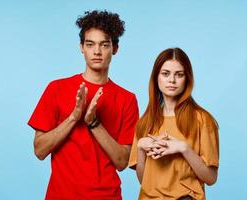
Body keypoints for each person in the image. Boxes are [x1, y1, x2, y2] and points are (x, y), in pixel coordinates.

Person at [28, 10, 139, 200]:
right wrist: (73, 117)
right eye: (90, 44)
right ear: (81, 47)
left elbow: (122, 161)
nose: (97, 51)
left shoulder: (127, 99)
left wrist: (93, 123)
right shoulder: (57, 88)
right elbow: (39, 150)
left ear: (115, 48)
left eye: (104, 45)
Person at [129, 48, 219, 200]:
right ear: (156, 77)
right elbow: (144, 181)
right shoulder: (145, 122)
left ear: (187, 79)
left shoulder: (203, 120)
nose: (172, 80)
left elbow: (210, 178)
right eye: (165, 74)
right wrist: (140, 148)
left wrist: (184, 148)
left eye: (179, 74)